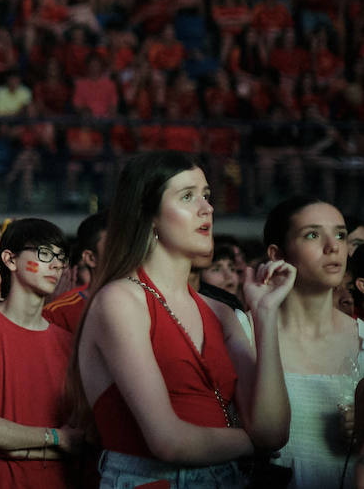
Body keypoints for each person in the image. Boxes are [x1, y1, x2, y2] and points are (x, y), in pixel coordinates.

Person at [72, 151, 294, 487]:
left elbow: (273, 431)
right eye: (187, 196)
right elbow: (168, 441)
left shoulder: (220, 311)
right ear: (149, 216)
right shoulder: (120, 300)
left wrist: (265, 315)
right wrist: (252, 444)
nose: (207, 208)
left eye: (206, 195)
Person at [0, 219, 83, 488]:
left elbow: (83, 439)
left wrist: (11, 442)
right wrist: (58, 439)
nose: (56, 265)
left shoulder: (69, 344)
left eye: (61, 257)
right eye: (44, 253)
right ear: (10, 260)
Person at [262, 195, 363, 487]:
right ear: (276, 254)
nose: (333, 247)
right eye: (313, 234)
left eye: (341, 235)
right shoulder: (246, 330)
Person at [43, 210, 106, 332]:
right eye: (115, 245)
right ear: (90, 258)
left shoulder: (143, 299)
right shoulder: (57, 313)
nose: (125, 252)